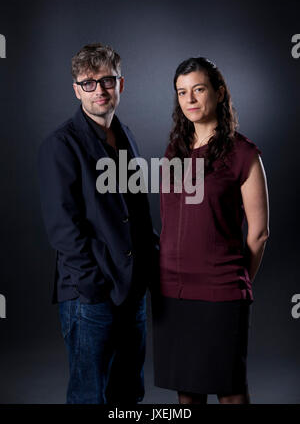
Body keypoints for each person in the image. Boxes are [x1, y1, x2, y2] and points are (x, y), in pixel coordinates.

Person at [38, 43, 158, 404]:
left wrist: (151, 267)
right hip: (90, 294)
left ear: (121, 85)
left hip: (132, 290)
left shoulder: (127, 137)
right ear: (77, 90)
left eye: (107, 81)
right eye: (88, 83)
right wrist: (93, 285)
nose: (99, 91)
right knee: (91, 396)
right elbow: (63, 229)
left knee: (127, 394)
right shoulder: (60, 145)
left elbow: (136, 212)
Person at [152, 57, 269, 404]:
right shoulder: (174, 151)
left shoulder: (244, 153)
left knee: (230, 392)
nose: (189, 99)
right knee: (187, 393)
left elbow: (259, 233)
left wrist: (235, 281)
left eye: (198, 90)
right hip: (172, 291)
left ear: (218, 93)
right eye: (182, 92)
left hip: (221, 291)